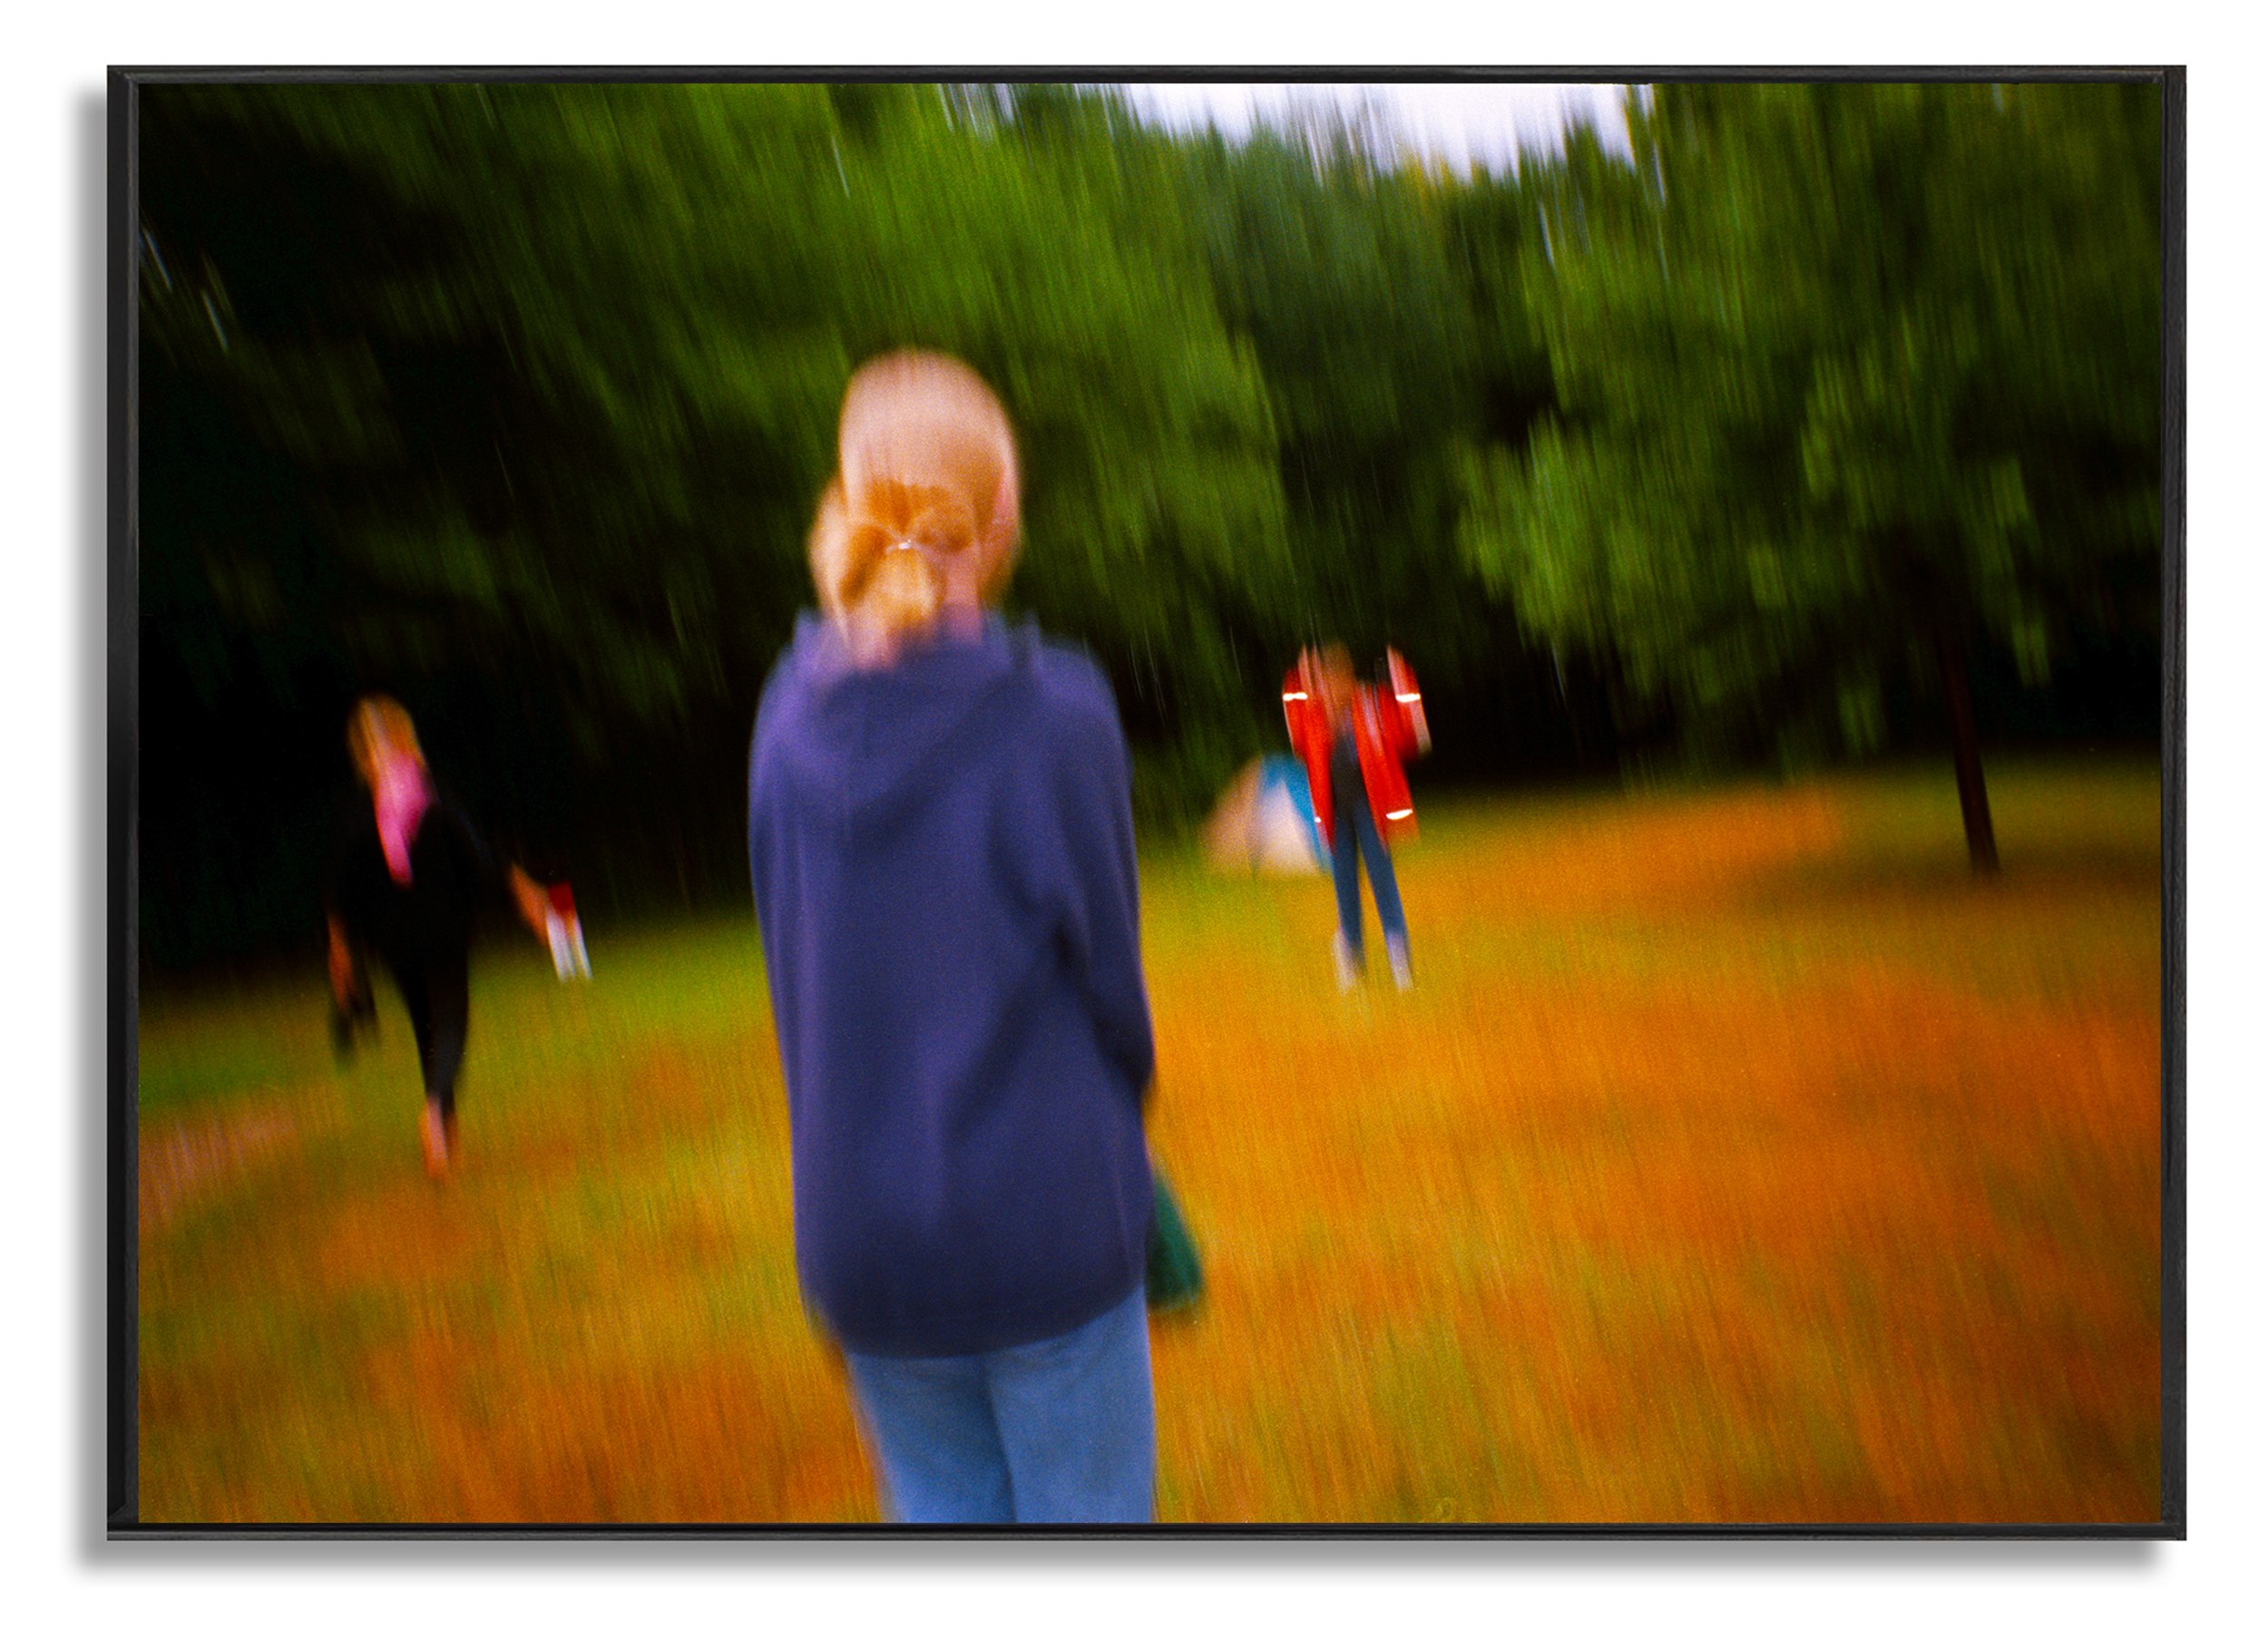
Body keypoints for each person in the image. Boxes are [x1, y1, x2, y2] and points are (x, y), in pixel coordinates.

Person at [746, 350, 1158, 1525]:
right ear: (1002, 512)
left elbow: (795, 985)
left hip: (861, 1239)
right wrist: (1128, 1115)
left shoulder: (781, 719)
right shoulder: (1056, 711)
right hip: (1046, 1223)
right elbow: (1115, 992)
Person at [323, 696, 549, 1178]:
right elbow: (477, 855)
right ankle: (433, 1113)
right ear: (407, 736)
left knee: (426, 1029)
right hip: (442, 927)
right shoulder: (428, 792)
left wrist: (339, 949)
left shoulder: (355, 810)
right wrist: (521, 888)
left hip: (392, 941)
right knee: (450, 1027)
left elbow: (341, 889)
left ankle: (445, 1133)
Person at [1282, 642, 1430, 991]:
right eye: (1324, 682)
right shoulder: (1315, 714)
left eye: (1336, 681)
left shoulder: (1373, 705)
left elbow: (1412, 738)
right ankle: (1352, 958)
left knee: (1381, 879)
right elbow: (1296, 736)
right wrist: (1299, 676)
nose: (1331, 690)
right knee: (1345, 885)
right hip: (1335, 811)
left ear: (1349, 679)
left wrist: (1401, 677)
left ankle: (1399, 960)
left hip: (1370, 808)